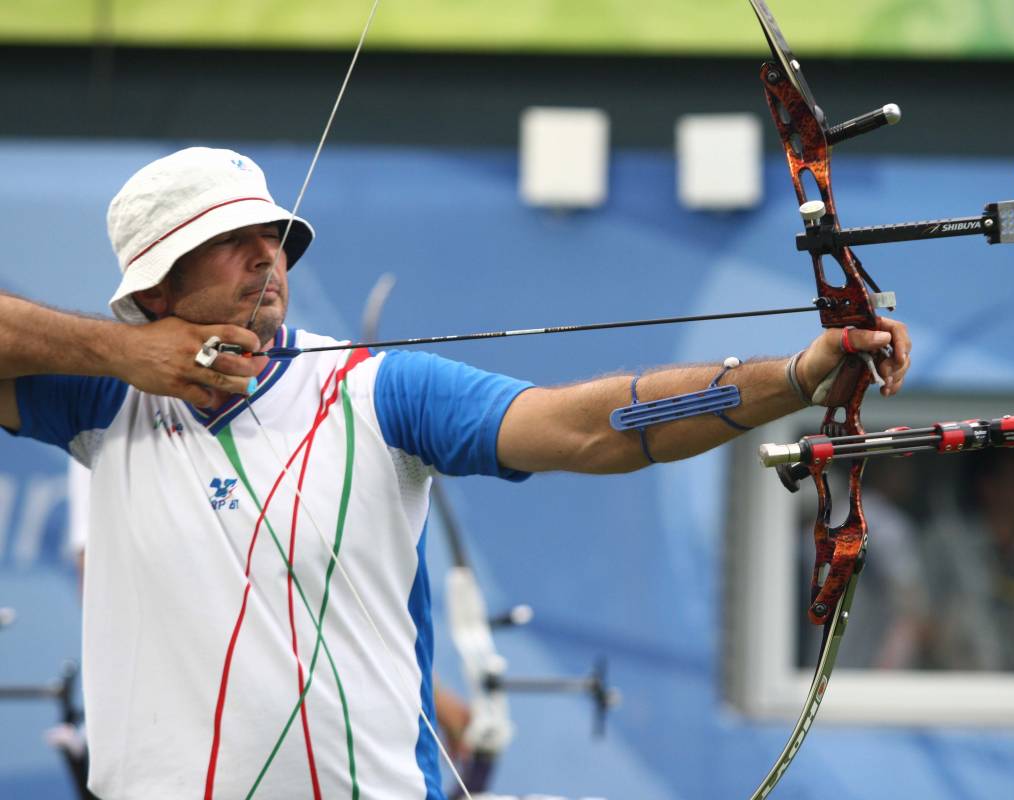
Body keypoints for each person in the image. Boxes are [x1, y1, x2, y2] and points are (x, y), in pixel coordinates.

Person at [0, 147, 910, 799]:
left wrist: (791, 378)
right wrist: (127, 355)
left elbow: (586, 428)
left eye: (271, 233)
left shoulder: (375, 390)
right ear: (157, 287)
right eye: (229, 239)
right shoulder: (101, 401)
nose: (266, 253)